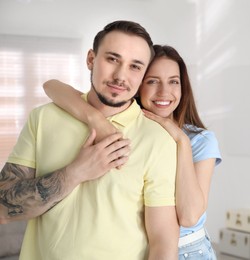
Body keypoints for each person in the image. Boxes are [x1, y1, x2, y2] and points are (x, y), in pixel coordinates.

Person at [0, 21, 179, 259]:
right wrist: (75, 173)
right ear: (91, 60)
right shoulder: (43, 118)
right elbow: (3, 207)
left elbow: (163, 241)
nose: (120, 76)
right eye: (112, 59)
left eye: (135, 66)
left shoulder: (157, 139)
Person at [43, 45, 222, 259]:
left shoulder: (199, 140)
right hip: (138, 249)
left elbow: (190, 216)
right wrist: (96, 120)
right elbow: (51, 86)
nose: (164, 92)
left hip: (187, 251)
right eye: (152, 81)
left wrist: (181, 140)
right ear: (137, 85)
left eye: (173, 81)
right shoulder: (123, 127)